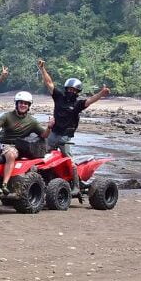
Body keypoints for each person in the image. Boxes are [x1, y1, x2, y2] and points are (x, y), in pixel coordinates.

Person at [37, 59, 110, 200]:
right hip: (53, 133)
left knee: (69, 160)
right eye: (69, 89)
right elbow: (49, 83)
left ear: (77, 92)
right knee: (41, 156)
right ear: (66, 89)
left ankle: (76, 186)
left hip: (65, 137)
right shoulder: (58, 97)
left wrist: (101, 93)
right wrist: (42, 69)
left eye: (74, 90)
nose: (71, 91)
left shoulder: (78, 104)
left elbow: (90, 100)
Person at [0, 91, 51, 194]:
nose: (23, 105)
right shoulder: (7, 116)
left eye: (26, 103)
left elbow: (44, 135)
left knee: (11, 155)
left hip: (12, 146)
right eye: (21, 103)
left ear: (29, 106)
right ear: (17, 103)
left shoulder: (32, 121)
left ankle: (4, 185)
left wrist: (49, 127)